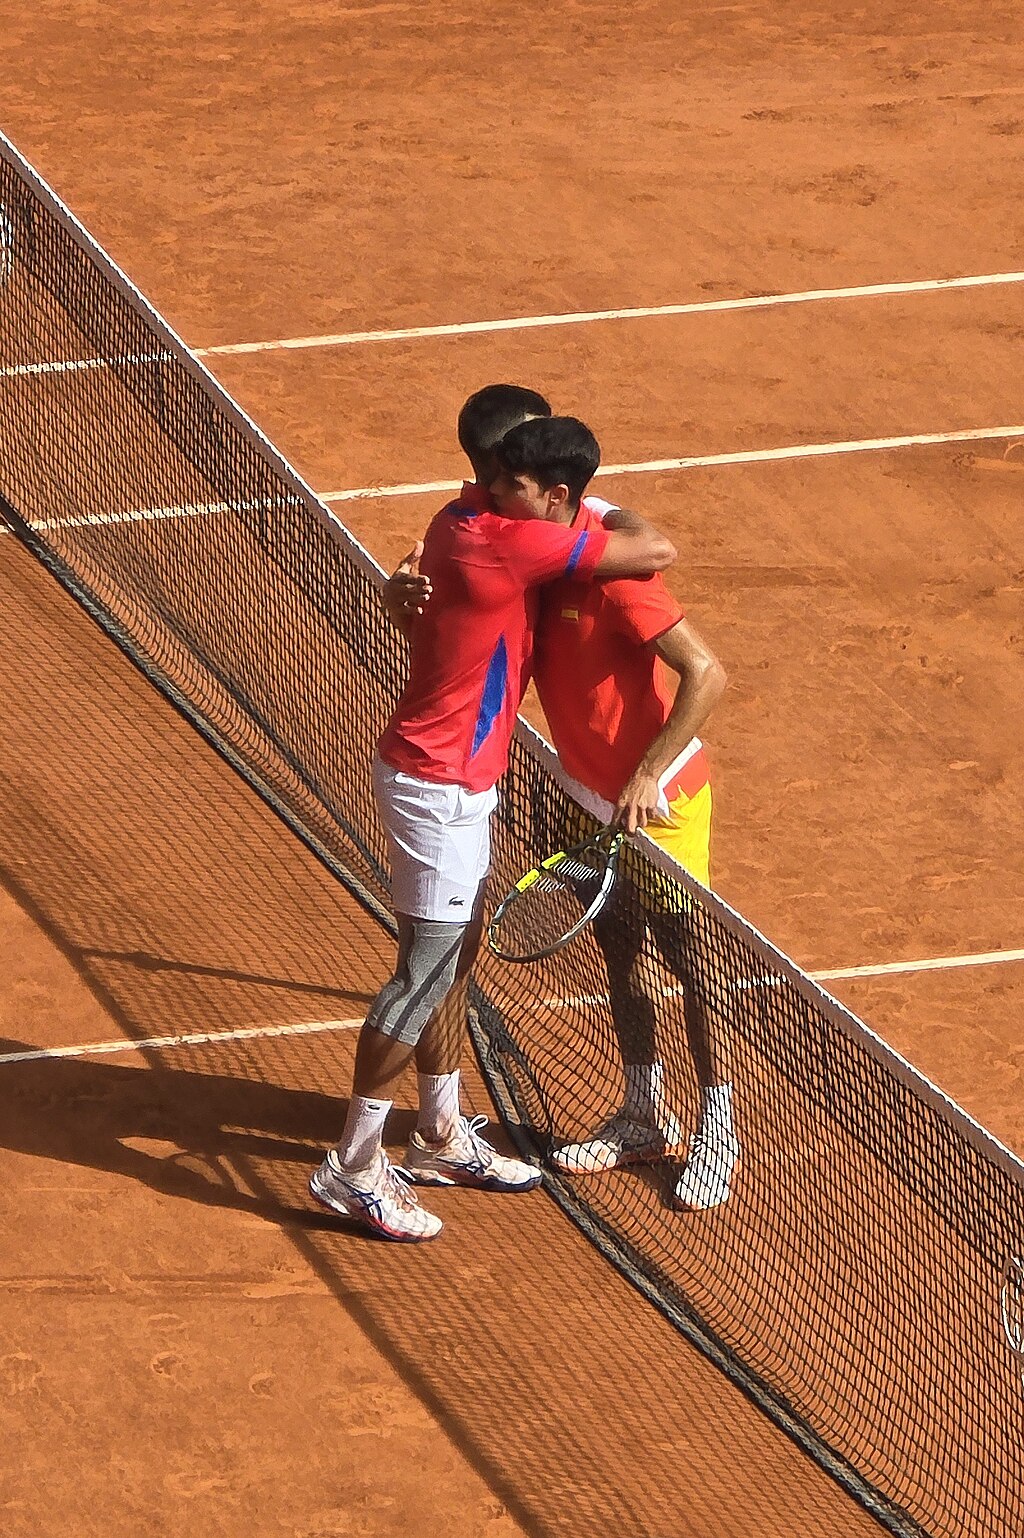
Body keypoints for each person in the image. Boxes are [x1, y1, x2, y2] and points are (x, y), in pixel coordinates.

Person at [309, 390, 676, 1241]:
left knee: (456, 954)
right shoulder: (508, 541)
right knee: (423, 974)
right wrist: (591, 500)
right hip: (438, 786)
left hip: (457, 779)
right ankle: (353, 1164)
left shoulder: (459, 515)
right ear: (516, 475)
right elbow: (655, 546)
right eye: (535, 463)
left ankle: (438, 1134)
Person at [491, 418, 738, 1210]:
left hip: (656, 807)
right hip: (587, 799)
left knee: (688, 962)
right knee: (619, 950)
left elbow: (708, 673)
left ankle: (718, 1125)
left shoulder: (617, 576)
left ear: (556, 496)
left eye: (512, 489)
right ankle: (641, 1110)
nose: (498, 499)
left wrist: (647, 771)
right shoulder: (538, 550)